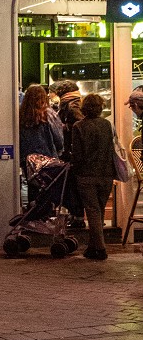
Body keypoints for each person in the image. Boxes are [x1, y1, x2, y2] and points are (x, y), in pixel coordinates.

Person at [70, 94, 117, 261]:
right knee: (99, 211)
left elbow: (77, 154)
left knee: (92, 211)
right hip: (106, 174)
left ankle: (100, 248)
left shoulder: (78, 127)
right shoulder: (107, 125)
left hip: (87, 175)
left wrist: (75, 168)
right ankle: (92, 247)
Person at [18, 84, 64, 162]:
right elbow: (58, 139)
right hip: (47, 159)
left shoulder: (21, 115)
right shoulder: (49, 114)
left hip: (26, 160)